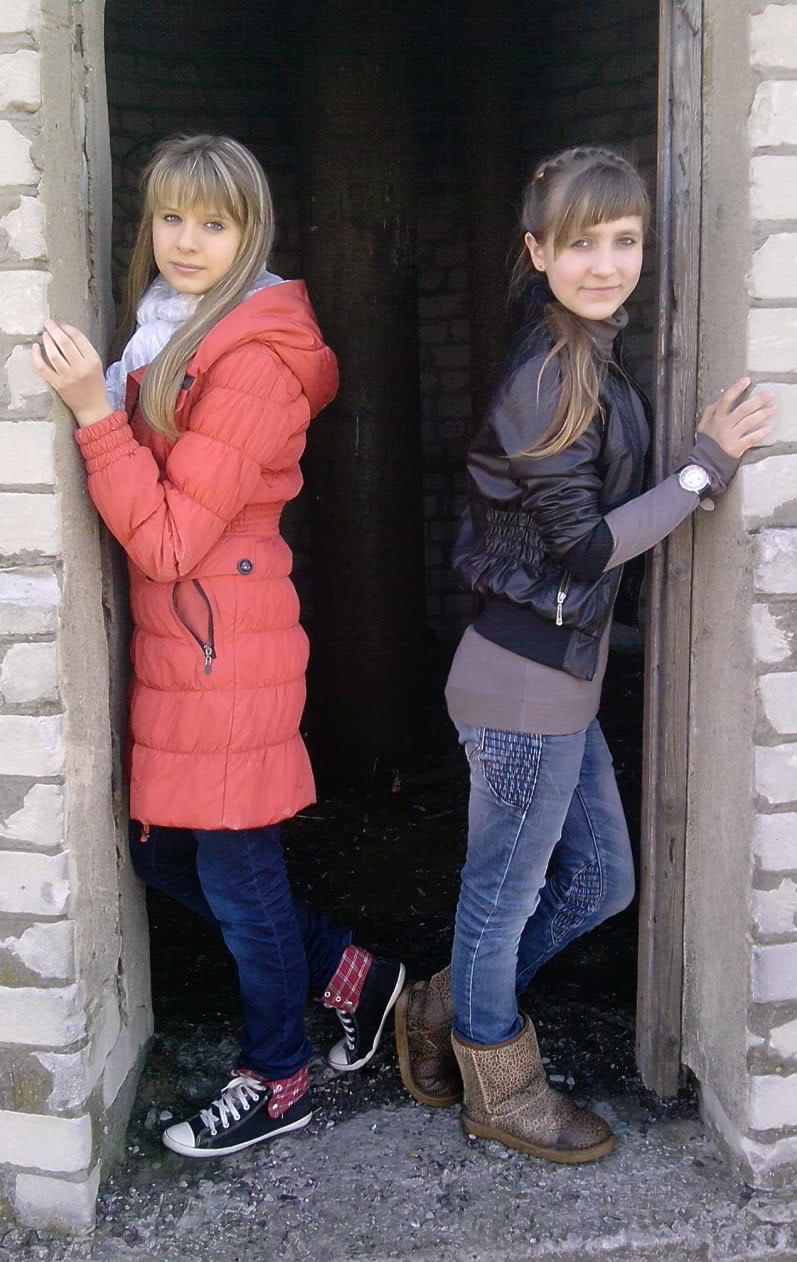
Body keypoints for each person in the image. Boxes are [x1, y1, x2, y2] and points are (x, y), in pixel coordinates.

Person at [395, 145, 774, 1163]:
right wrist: (703, 469)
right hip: (518, 682)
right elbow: (583, 546)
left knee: (600, 881)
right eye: (579, 243)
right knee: (501, 893)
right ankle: (499, 1085)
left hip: (559, 677)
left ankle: (441, 1002)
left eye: (623, 240)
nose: (604, 263)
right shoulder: (549, 370)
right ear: (537, 250)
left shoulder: (588, 350)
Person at [33, 134, 405, 1159]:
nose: (186, 241)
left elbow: (165, 540)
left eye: (214, 223)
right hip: (189, 642)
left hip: (221, 647)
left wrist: (92, 414)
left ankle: (276, 1077)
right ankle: (351, 974)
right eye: (171, 217)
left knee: (239, 878)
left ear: (252, 234)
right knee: (163, 856)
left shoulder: (250, 359)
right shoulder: (171, 329)